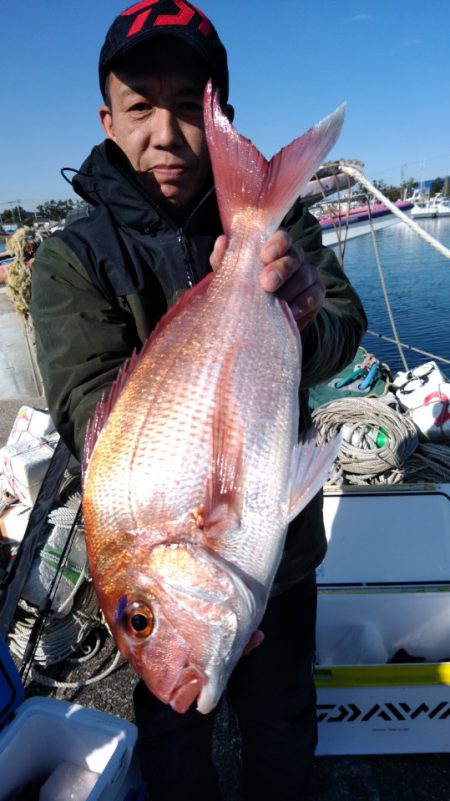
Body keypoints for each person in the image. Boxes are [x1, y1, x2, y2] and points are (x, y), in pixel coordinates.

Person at [30, 2, 367, 799]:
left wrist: (298, 313)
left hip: (279, 566)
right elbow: (87, 403)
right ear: (107, 118)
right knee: (174, 745)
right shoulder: (71, 259)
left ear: (222, 119)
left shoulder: (279, 226)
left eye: (190, 105)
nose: (167, 131)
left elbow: (346, 331)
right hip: (220, 543)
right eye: (141, 107)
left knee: (284, 726)